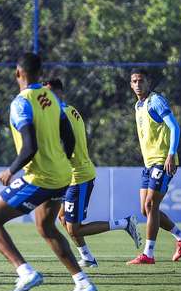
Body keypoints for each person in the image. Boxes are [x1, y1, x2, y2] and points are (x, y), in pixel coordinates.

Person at [0, 53, 97, 291]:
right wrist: (59, 159)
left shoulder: (21, 102)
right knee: (46, 227)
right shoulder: (52, 99)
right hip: (64, 175)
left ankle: (25, 272)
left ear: (17, 73)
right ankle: (83, 282)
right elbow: (69, 136)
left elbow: (29, 146)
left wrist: (10, 170)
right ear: (40, 73)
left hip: (40, 178)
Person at [43, 78, 141, 267]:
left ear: (59, 93)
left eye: (49, 93)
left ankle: (124, 223)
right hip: (71, 175)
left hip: (78, 176)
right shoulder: (70, 110)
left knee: (75, 229)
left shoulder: (59, 115)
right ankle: (87, 257)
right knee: (63, 218)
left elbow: (61, 146)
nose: (45, 98)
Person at [127, 68, 181, 264]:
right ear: (131, 85)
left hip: (162, 160)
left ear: (149, 82)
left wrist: (171, 155)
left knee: (151, 205)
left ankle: (148, 254)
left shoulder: (155, 101)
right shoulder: (138, 106)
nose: (138, 84)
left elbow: (175, 127)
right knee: (145, 209)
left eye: (141, 80)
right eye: (134, 81)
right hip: (149, 164)